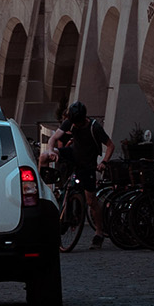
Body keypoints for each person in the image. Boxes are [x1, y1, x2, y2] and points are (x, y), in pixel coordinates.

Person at [56, 101, 112, 247]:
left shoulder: (95, 128)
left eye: (78, 123)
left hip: (87, 164)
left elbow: (111, 145)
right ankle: (64, 216)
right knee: (64, 185)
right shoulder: (71, 122)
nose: (75, 126)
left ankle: (99, 232)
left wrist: (104, 162)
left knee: (91, 201)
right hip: (73, 157)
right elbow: (55, 137)